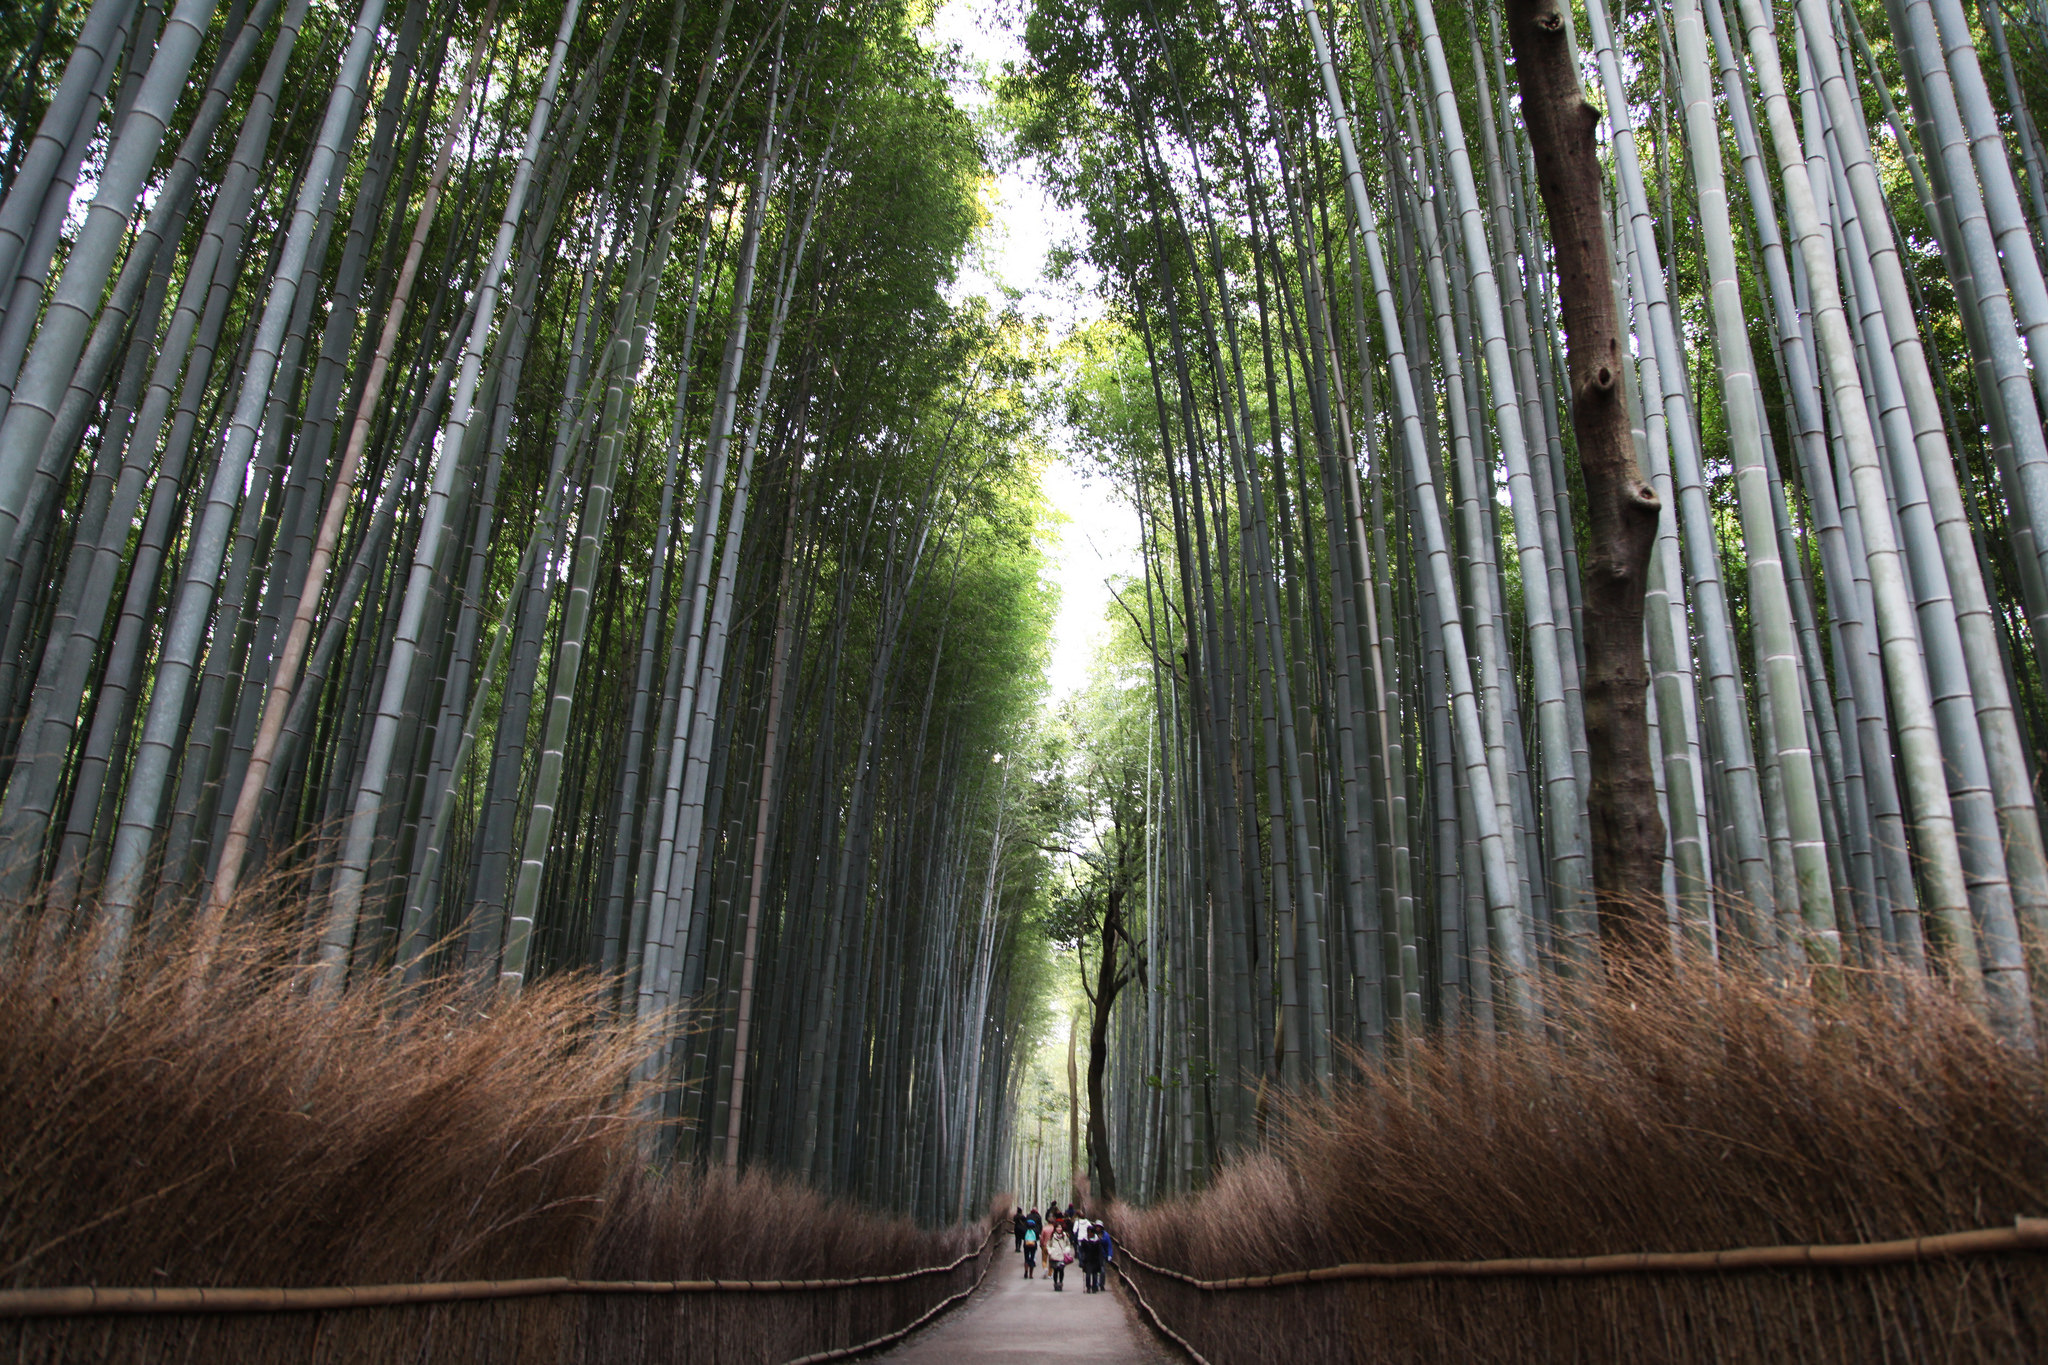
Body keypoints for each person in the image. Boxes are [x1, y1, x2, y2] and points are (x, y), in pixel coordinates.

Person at [1076, 1225, 1104, 1293]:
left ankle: (1094, 1287)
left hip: (1095, 1260)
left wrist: (1100, 1261)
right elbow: (1081, 1250)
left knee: (1094, 1275)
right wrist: (1081, 1259)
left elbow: (1100, 1252)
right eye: (1088, 1232)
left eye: (1091, 1232)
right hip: (1087, 1260)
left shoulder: (1097, 1241)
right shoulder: (1084, 1241)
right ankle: (1088, 1287)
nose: (1089, 1234)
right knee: (1088, 1275)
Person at [1045, 1225, 1073, 1291]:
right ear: (1055, 1228)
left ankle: (1060, 1283)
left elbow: (1068, 1244)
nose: (1059, 1229)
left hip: (1062, 1255)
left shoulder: (1065, 1236)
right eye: (1057, 1227)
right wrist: (1050, 1251)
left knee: (1061, 1270)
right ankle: (1055, 1283)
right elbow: (1048, 1245)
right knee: (1055, 1270)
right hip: (1054, 1255)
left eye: (1060, 1227)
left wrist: (1066, 1250)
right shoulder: (1052, 1236)